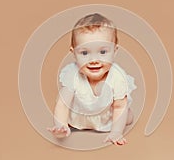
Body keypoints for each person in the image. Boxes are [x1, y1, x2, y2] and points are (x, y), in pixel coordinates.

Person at [48, 13, 136, 145]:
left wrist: (116, 132)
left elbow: (119, 107)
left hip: (107, 116)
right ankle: (77, 124)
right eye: (84, 53)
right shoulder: (72, 74)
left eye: (102, 52)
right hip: (79, 116)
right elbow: (62, 104)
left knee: (126, 116)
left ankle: (119, 120)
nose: (94, 60)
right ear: (74, 53)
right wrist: (61, 125)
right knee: (65, 110)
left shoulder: (117, 77)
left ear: (115, 51)